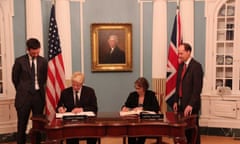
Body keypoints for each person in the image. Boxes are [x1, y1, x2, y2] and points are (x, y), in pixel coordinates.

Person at [12, 38, 48, 144]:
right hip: (24, 97)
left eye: (38, 51)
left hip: (38, 96)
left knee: (38, 126)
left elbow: (44, 78)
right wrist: (23, 89)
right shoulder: (19, 61)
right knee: (22, 125)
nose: (36, 54)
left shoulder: (43, 61)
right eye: (34, 52)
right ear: (28, 49)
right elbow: (15, 79)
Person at [173, 43, 203, 144]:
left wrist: (190, 105)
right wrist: (176, 101)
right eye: (178, 53)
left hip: (191, 105)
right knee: (183, 131)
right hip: (181, 103)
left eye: (181, 53)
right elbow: (178, 85)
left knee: (193, 131)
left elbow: (197, 89)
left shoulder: (196, 66)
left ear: (188, 52)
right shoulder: (181, 66)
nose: (179, 55)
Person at [56, 72, 98, 144]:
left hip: (86, 122)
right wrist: (60, 109)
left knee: (92, 135)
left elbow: (94, 108)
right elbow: (59, 106)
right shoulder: (65, 92)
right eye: (73, 84)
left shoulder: (90, 91)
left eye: (77, 85)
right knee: (71, 136)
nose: (75, 87)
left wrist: (82, 109)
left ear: (82, 84)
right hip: (70, 123)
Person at [121, 77, 160, 144]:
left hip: (146, 121)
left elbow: (156, 108)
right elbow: (125, 105)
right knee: (131, 130)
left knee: (142, 130)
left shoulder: (151, 95)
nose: (137, 90)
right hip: (134, 120)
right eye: (136, 88)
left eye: (138, 88)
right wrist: (124, 108)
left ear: (144, 88)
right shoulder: (132, 95)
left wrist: (143, 108)